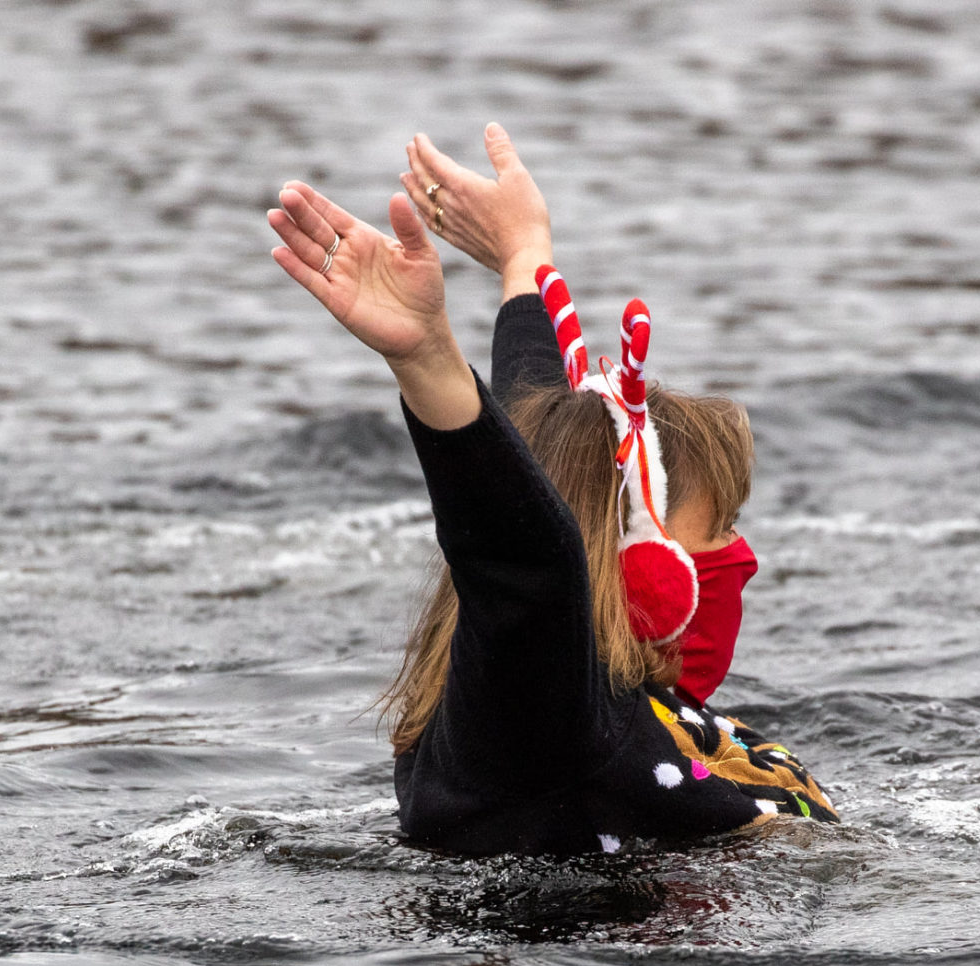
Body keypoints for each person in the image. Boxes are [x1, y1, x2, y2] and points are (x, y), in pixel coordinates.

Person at [266, 124, 835, 856]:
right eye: (719, 525)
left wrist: (523, 255)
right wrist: (428, 362)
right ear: (642, 567)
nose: (741, 554)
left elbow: (531, 429)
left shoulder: (596, 692)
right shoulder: (549, 712)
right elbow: (523, 550)